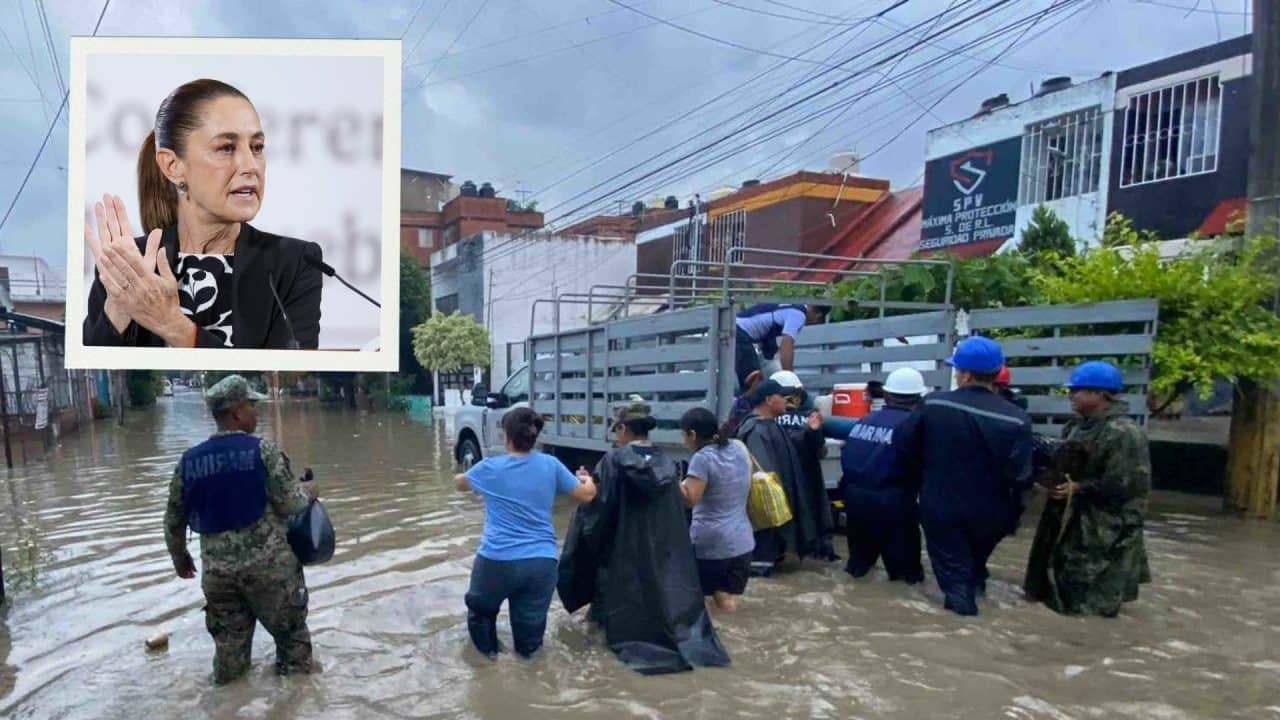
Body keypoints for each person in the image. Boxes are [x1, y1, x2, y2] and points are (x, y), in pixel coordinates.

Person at [84, 79, 323, 349]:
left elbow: (289, 378)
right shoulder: (128, 264)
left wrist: (172, 325)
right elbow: (94, 374)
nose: (250, 166)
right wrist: (119, 308)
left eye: (256, 147)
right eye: (226, 148)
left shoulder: (295, 262)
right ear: (173, 166)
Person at [163, 375, 320, 684]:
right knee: (294, 652)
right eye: (251, 405)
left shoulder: (189, 462)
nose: (255, 411)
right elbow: (291, 504)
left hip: (219, 578)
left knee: (229, 662)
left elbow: (173, 520)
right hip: (270, 572)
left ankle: (229, 707)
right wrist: (311, 491)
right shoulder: (262, 451)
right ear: (236, 412)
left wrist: (180, 558)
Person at [558, 398, 730, 675]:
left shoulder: (613, 460)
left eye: (616, 430)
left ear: (624, 428)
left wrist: (586, 486)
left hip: (621, 554)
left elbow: (596, 512)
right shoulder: (665, 461)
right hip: (659, 553)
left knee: (603, 619)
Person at [895, 337, 1033, 616]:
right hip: (992, 515)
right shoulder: (1017, 418)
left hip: (944, 509)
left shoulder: (934, 405)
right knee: (975, 568)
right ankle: (977, 597)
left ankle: (964, 632)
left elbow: (903, 444)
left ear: (966, 374)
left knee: (955, 583)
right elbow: (1020, 475)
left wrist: (926, 473)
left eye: (957, 370)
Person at [453, 408, 597, 659]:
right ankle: (530, 683)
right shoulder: (550, 465)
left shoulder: (489, 468)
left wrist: (466, 473)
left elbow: (460, 484)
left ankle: (488, 669)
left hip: (496, 560)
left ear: (505, 435)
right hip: (541, 563)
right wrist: (588, 480)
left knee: (481, 613)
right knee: (530, 643)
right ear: (535, 437)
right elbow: (586, 495)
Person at [1024, 361, 1152, 617]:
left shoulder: (1124, 433)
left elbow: (1127, 484)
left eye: (1077, 391)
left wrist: (1079, 488)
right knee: (1061, 585)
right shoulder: (1076, 427)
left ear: (1100, 394)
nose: (1071, 396)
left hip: (1108, 530)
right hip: (1072, 522)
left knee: (1095, 599)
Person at [840, 368, 928, 584]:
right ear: (919, 397)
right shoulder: (915, 425)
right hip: (894, 504)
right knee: (906, 579)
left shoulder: (866, 419)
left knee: (858, 569)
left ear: (887, 395)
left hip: (855, 502)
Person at [735, 380, 829, 576]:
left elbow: (792, 447)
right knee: (761, 567)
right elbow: (761, 481)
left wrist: (811, 431)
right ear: (769, 400)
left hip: (774, 517)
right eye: (781, 397)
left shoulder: (770, 425)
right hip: (764, 520)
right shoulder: (755, 429)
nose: (787, 402)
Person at [678, 407, 754, 613]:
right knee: (726, 599)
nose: (683, 441)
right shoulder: (738, 447)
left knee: (700, 603)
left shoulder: (702, 458)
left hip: (713, 545)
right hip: (743, 542)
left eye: (683, 435)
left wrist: (670, 478)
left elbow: (690, 499)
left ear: (692, 434)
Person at [770, 371, 837, 561]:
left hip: (780, 482)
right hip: (809, 481)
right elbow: (821, 452)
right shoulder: (811, 420)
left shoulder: (766, 421)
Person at [734, 303, 830, 392]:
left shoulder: (790, 305)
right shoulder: (799, 315)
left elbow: (767, 327)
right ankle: (744, 407)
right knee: (753, 381)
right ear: (818, 316)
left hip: (738, 325)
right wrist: (789, 378)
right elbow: (787, 344)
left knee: (766, 358)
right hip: (740, 331)